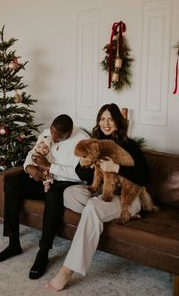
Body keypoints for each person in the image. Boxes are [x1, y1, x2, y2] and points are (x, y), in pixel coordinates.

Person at [46, 103, 150, 291]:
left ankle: (67, 270)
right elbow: (83, 175)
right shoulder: (95, 143)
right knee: (69, 193)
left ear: (118, 122)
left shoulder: (129, 145)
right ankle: (102, 216)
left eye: (110, 119)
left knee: (94, 206)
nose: (106, 123)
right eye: (102, 119)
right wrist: (86, 164)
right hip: (104, 193)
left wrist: (116, 168)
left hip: (127, 197)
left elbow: (144, 177)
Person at [0, 114, 89, 280]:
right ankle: (13, 244)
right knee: (12, 184)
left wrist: (51, 167)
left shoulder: (83, 141)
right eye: (52, 134)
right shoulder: (47, 132)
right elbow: (33, 152)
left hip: (65, 182)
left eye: (59, 138)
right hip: (43, 176)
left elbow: (81, 175)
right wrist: (29, 167)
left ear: (69, 133)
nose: (54, 139)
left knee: (53, 195)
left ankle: (43, 252)